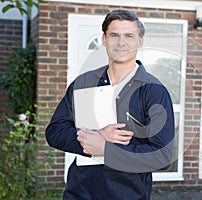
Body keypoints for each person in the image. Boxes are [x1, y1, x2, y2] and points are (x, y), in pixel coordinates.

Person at [45, 9, 174, 199]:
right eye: (114, 35)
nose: (121, 42)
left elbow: (162, 156)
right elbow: (54, 132)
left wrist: (106, 149)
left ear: (140, 41)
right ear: (104, 39)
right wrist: (93, 138)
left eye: (129, 36)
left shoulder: (153, 91)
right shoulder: (84, 83)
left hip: (127, 194)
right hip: (79, 192)